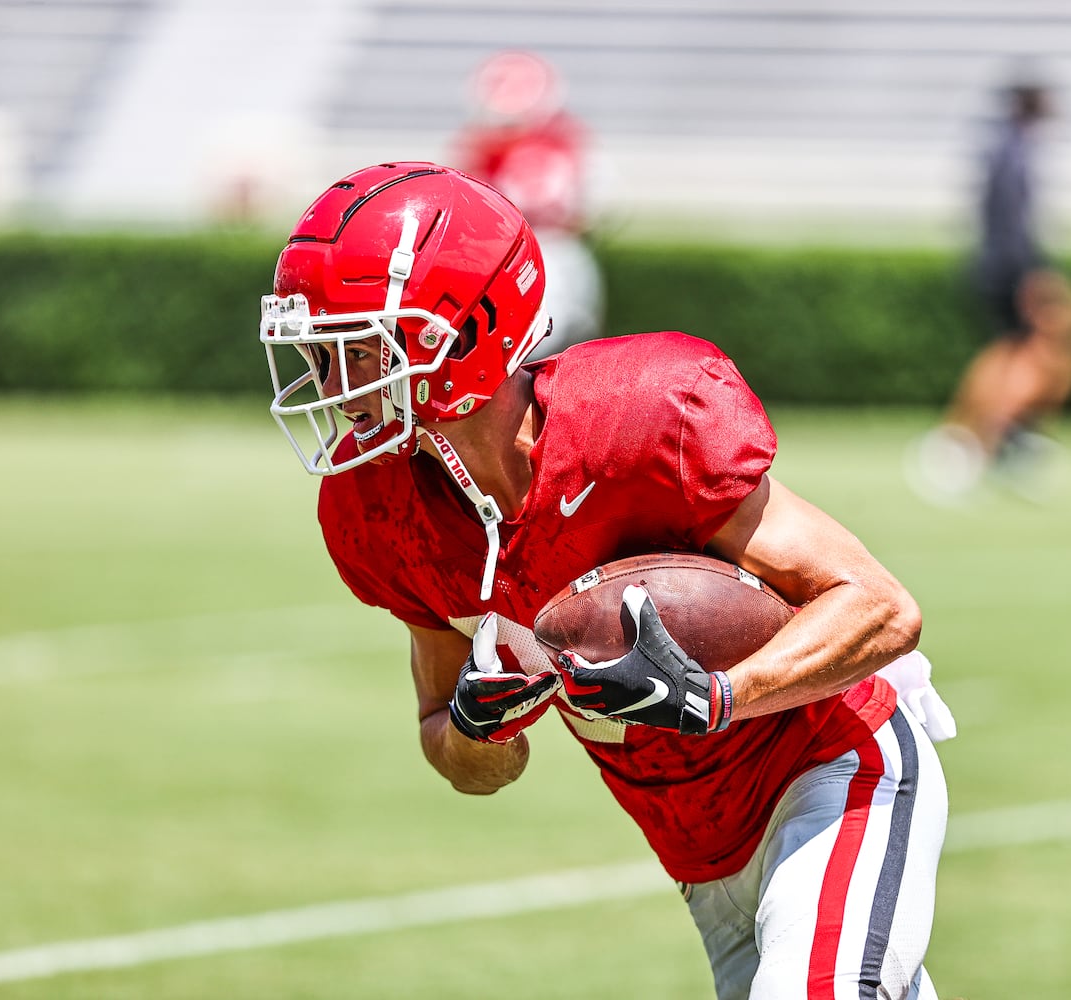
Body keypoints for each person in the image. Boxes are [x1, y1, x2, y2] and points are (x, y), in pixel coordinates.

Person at [258, 162, 956, 999]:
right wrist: (478, 730)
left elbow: (879, 608)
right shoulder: (377, 511)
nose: (335, 382)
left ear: (467, 326)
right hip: (696, 847)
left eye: (360, 344)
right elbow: (458, 753)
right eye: (321, 349)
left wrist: (718, 693)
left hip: (831, 767)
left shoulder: (638, 419)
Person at [910, 77, 1071, 503]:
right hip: (1012, 268)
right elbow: (1013, 223)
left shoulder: (1004, 147)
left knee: (1017, 352)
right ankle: (986, 439)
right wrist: (1030, 273)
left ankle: (998, 438)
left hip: (999, 265)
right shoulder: (1016, 151)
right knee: (1037, 351)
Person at [450, 50, 604, 359]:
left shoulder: (488, 149)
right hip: (571, 253)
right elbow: (598, 208)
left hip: (521, 256)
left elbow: (470, 212)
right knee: (582, 356)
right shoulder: (568, 139)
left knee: (522, 355)